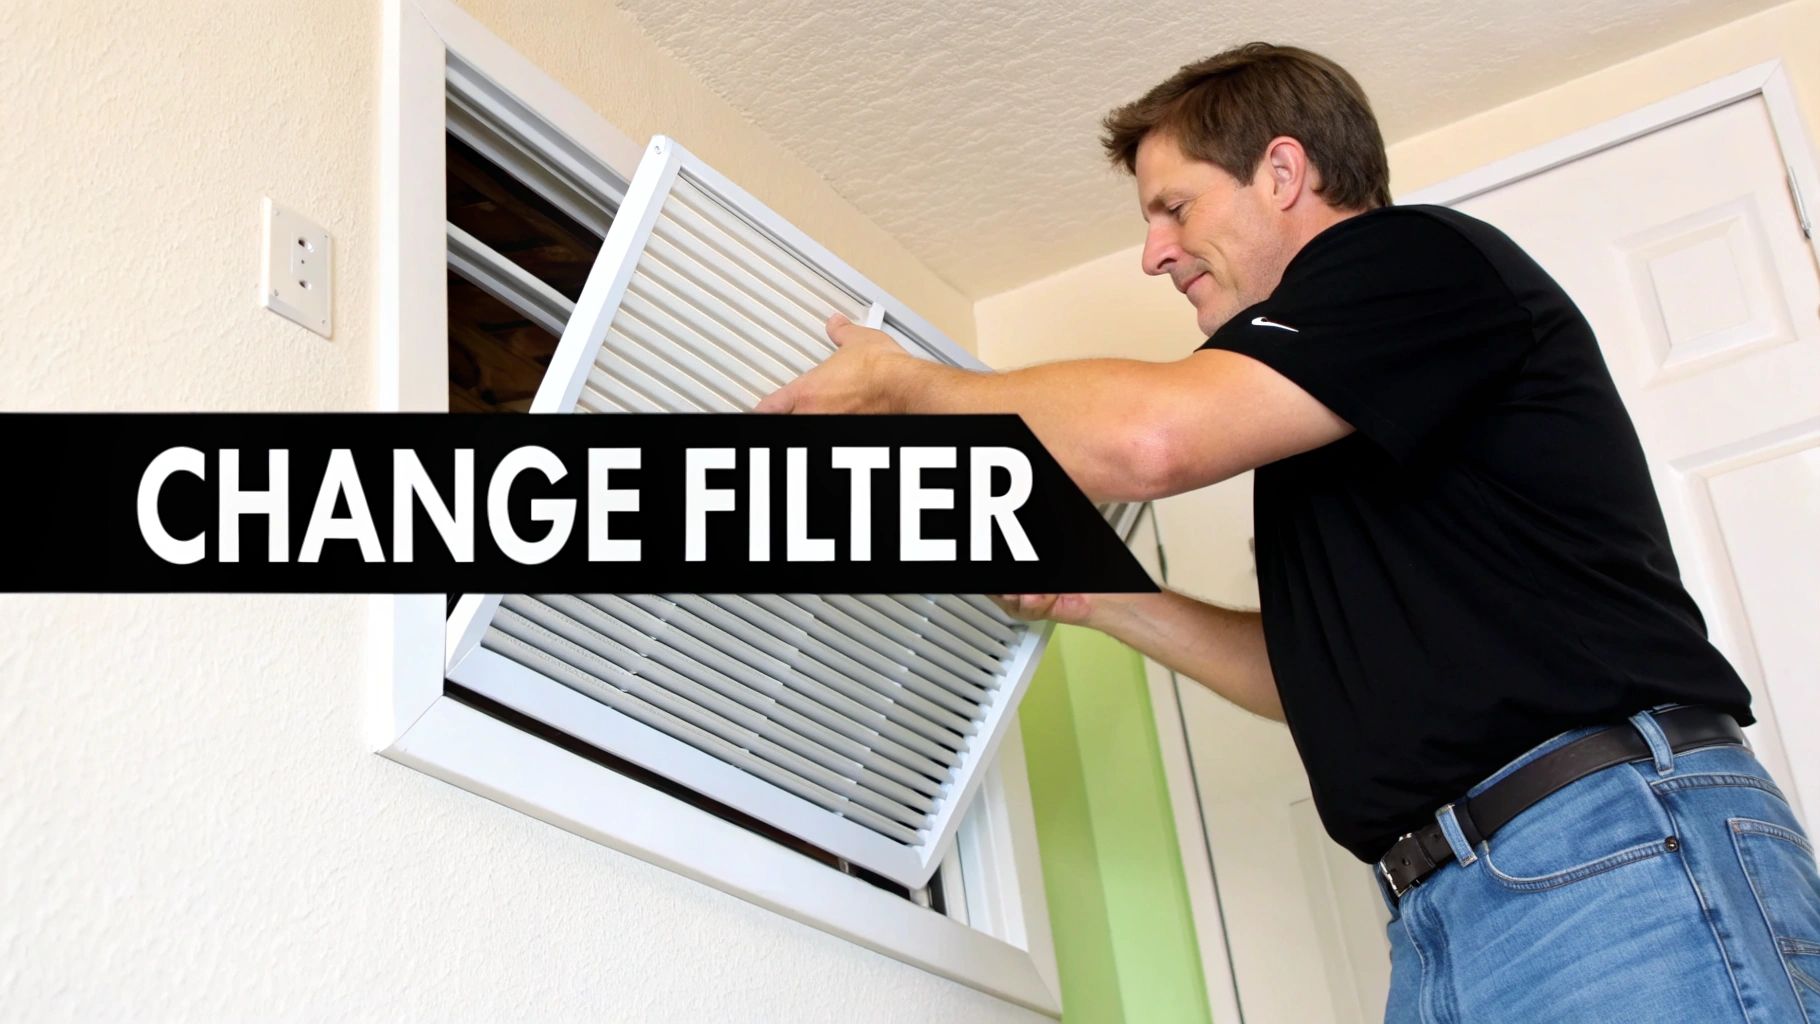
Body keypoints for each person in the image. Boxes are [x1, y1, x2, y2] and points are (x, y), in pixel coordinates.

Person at [756, 42, 1820, 1023]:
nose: (1152, 254)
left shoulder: (1410, 259)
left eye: (1171, 207)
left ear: (1280, 171)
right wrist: (1094, 591)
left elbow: (1153, 439)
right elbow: (1312, 677)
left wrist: (913, 384)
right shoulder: (1331, 416)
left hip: (1606, 850)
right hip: (1447, 907)